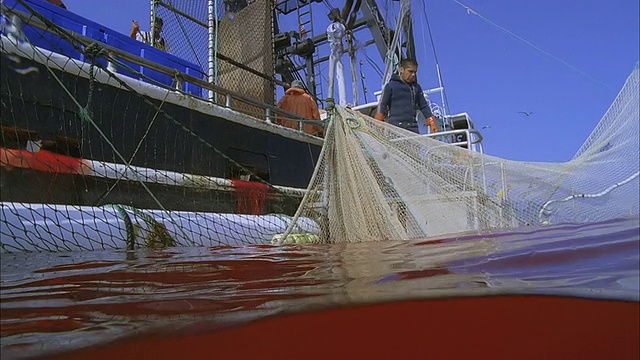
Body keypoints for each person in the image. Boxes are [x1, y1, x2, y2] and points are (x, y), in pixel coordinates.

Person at [374, 59, 438, 134]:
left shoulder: (416, 88)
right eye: (410, 71)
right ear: (401, 70)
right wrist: (378, 122)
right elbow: (382, 104)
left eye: (415, 72)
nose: (413, 75)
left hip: (413, 128)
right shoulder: (391, 86)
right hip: (395, 128)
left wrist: (431, 121)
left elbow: (424, 106)